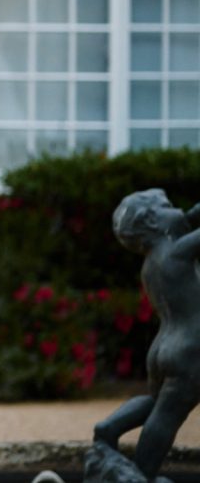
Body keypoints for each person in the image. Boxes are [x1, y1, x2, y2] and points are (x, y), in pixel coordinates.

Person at [91, 188, 200, 481]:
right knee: (168, 416)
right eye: (168, 206)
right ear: (152, 221)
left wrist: (189, 215)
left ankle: (110, 428)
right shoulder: (176, 253)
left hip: (165, 346)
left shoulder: (152, 264)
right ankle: (142, 473)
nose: (178, 210)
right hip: (191, 348)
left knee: (156, 402)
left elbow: (185, 222)